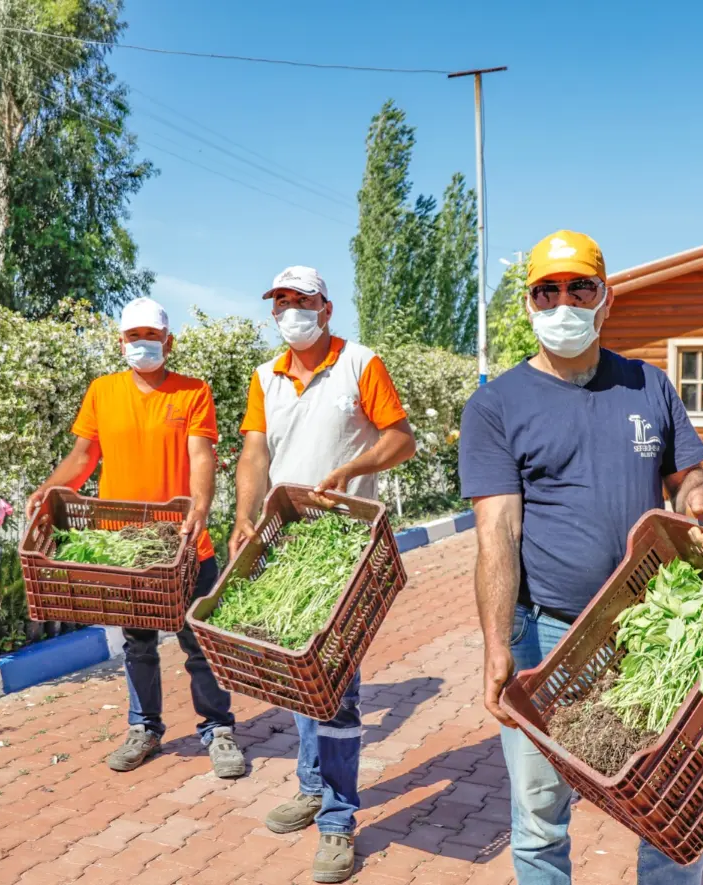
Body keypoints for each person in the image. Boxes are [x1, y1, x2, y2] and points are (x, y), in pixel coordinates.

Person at [459, 230, 703, 885]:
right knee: (539, 814)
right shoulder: (496, 406)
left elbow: (688, 476)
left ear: (606, 298)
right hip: (550, 635)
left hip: (654, 629)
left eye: (580, 286)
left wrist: (699, 495)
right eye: (546, 290)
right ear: (527, 304)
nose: (564, 302)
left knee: (673, 800)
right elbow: (496, 533)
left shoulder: (649, 386)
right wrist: (498, 643)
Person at [230, 266, 416, 884]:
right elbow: (255, 452)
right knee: (297, 669)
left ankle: (338, 820)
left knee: (337, 681)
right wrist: (244, 516)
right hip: (286, 541)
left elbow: (402, 440)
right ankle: (312, 787)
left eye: (300, 301)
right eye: (280, 302)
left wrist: (351, 468)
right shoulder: (266, 376)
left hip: (344, 542)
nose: (289, 311)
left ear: (326, 308)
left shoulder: (361, 363)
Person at [27, 297, 245, 779]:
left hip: (184, 543)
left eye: (150, 335)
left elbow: (202, 456)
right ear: (120, 341)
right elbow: (83, 457)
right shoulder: (103, 392)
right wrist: (49, 490)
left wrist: (200, 506)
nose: (141, 344)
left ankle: (218, 729)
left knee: (200, 642)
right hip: (124, 547)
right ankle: (143, 727)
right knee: (138, 642)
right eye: (132, 336)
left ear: (169, 341)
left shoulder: (193, 392)